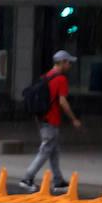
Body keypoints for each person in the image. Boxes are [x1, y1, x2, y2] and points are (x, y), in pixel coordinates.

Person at [20, 50, 82, 191]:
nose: (70, 65)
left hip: (42, 118)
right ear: (62, 62)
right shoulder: (61, 79)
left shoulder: (46, 76)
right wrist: (74, 119)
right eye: (68, 62)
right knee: (46, 150)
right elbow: (62, 102)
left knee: (54, 151)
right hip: (51, 119)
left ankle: (58, 181)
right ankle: (27, 178)